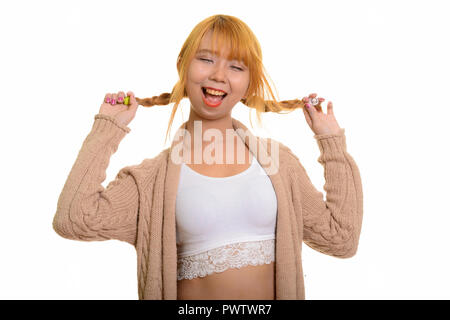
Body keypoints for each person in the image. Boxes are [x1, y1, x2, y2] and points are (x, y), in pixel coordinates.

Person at [53, 14, 363, 300]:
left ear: (249, 83)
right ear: (183, 65)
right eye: (205, 59)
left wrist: (331, 141)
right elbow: (74, 219)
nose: (218, 75)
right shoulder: (151, 181)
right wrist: (108, 127)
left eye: (236, 67)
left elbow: (341, 239)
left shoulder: (278, 163)